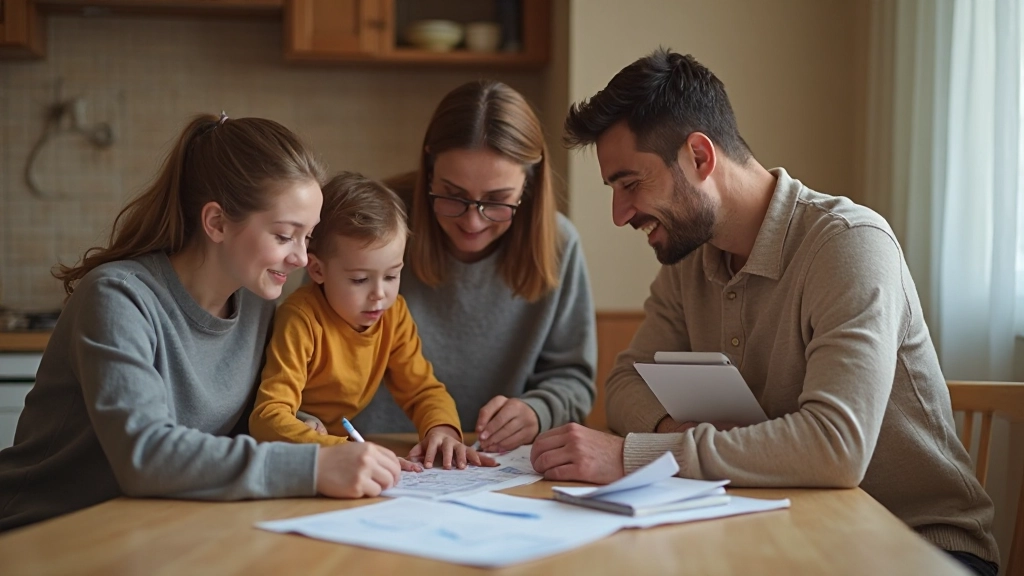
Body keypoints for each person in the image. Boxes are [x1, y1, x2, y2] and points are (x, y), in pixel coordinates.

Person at [528, 49, 1000, 575]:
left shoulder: (849, 244)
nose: (620, 215)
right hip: (780, 529)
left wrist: (639, 456)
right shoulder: (689, 261)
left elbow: (834, 447)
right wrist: (672, 430)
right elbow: (624, 386)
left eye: (630, 184)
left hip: (916, 544)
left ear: (700, 158)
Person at [0, 114, 406, 533]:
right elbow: (146, 455)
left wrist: (300, 422)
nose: (302, 258)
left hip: (150, 528)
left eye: (308, 237)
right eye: (285, 236)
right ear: (216, 223)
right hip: (41, 530)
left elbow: (234, 424)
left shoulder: (254, 302)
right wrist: (314, 465)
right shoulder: (118, 298)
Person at [350, 80, 597, 453]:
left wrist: (538, 410)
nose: (473, 222)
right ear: (429, 167)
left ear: (528, 185)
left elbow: (573, 380)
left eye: (497, 201)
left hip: (495, 465)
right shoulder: (372, 226)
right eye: (453, 195)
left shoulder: (559, 244)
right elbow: (310, 342)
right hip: (376, 454)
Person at [249, 172, 493, 470]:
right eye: (360, 279)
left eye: (392, 276)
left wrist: (440, 429)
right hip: (299, 450)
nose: (379, 295)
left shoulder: (393, 314)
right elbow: (268, 418)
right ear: (317, 270)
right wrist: (337, 448)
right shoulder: (301, 319)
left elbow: (421, 389)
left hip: (338, 452)